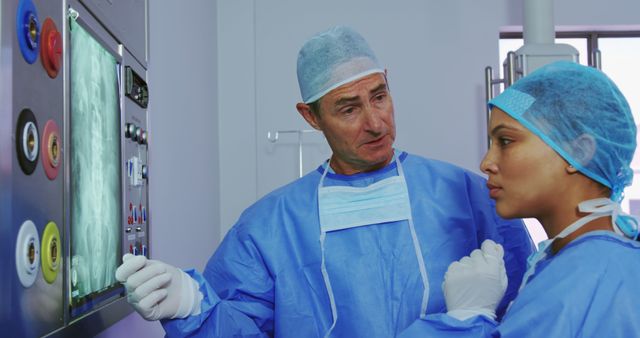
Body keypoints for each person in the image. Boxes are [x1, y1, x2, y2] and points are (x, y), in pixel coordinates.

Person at [115, 26, 533, 337]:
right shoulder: (269, 228)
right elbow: (239, 328)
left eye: (380, 96)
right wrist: (190, 305)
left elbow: (531, 310)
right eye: (348, 109)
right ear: (310, 116)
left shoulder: (468, 196)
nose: (375, 123)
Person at [399, 60, 640, 337]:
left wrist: (466, 320)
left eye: (505, 141)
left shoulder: (593, 274)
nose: (486, 162)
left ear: (580, 151)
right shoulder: (575, 265)